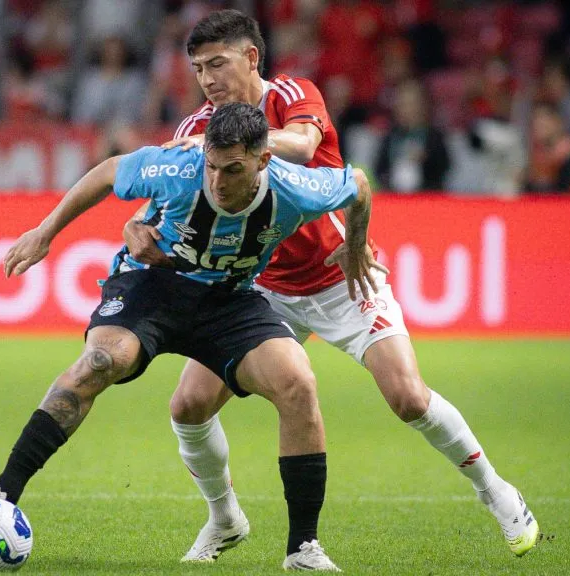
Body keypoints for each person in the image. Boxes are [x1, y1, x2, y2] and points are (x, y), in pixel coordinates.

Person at [123, 9, 540, 562]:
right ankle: (224, 518)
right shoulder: (196, 130)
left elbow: (298, 147)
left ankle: (497, 491)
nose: (207, 80)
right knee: (189, 406)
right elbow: (168, 204)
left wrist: (245, 144)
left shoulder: (295, 94)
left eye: (217, 64)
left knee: (408, 398)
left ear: (251, 57)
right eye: (198, 68)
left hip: (339, 275)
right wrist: (138, 227)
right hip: (258, 288)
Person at [0, 102, 377, 572]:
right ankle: (1, 493)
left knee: (298, 383)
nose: (218, 181)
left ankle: (302, 548)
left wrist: (354, 246)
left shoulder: (296, 186)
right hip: (153, 283)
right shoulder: (178, 168)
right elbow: (108, 172)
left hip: (230, 300)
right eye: (212, 165)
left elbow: (360, 185)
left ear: (263, 161)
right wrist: (45, 233)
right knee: (102, 361)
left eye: (233, 169)